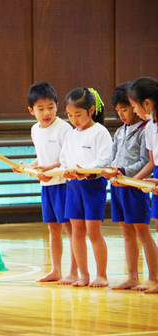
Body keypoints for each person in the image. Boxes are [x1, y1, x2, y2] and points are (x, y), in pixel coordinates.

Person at [100, 82, 157, 291]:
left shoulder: (145, 129)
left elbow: (145, 162)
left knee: (143, 233)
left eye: (126, 108)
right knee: (126, 233)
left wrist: (123, 172)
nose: (123, 114)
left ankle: (154, 277)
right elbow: (111, 157)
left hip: (136, 187)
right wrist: (105, 169)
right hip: (118, 186)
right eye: (118, 110)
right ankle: (132, 276)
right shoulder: (121, 131)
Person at [24, 82, 78, 284]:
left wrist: (47, 170)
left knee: (70, 228)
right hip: (47, 187)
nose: (46, 112)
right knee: (53, 229)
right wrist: (29, 166)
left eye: (50, 107)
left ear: (57, 106)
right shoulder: (35, 130)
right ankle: (56, 270)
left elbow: (66, 159)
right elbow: (42, 158)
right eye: (40, 108)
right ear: (31, 111)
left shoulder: (64, 128)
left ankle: (74, 270)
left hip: (64, 185)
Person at [60, 87, 112, 287]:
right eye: (70, 115)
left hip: (93, 185)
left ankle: (102, 275)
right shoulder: (71, 134)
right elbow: (64, 159)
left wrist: (87, 170)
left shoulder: (100, 132)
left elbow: (104, 159)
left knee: (93, 231)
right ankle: (83, 275)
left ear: (91, 110)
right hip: (73, 186)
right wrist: (67, 170)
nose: (74, 119)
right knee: (77, 231)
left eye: (78, 114)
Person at [127, 77, 158, 294]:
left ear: (147, 103)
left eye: (135, 106)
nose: (134, 111)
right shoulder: (150, 127)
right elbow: (152, 161)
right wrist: (134, 180)